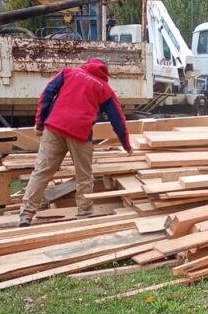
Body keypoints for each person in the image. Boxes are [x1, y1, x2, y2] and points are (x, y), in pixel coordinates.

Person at [18, 58, 131, 227]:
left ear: (87, 64)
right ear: (105, 71)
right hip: (80, 134)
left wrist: (40, 122)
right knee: (84, 177)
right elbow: (118, 120)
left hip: (54, 128)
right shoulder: (105, 89)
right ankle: (84, 216)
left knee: (41, 172)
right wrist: (126, 145)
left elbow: (47, 94)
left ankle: (26, 215)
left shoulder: (68, 72)